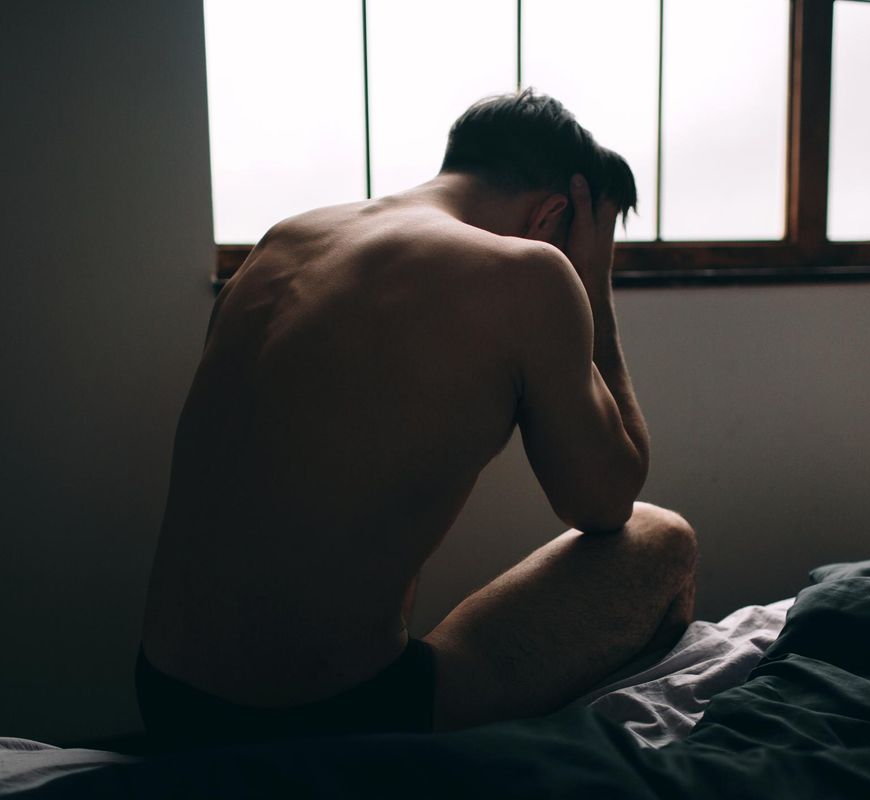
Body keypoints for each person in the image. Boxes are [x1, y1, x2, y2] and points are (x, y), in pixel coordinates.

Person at [137, 89, 697, 748]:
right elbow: (607, 501)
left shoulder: (284, 240)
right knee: (665, 541)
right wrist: (591, 277)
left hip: (165, 699)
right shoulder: (533, 272)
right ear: (552, 214)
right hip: (323, 719)